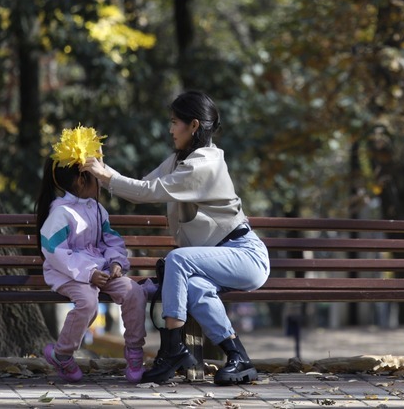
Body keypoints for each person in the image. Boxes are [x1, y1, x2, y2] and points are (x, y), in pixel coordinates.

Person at [82, 90, 270, 386]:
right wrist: (104, 171)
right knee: (194, 288)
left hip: (244, 255)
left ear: (193, 125)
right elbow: (143, 186)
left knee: (177, 260)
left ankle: (172, 350)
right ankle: (239, 357)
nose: (170, 129)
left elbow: (148, 192)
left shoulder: (205, 165)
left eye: (174, 122)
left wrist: (105, 176)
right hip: (214, 261)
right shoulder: (179, 161)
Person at [36, 125, 147, 383]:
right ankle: (62, 354)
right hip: (70, 274)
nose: (102, 178)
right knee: (88, 304)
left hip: (101, 270)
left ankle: (134, 351)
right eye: (97, 173)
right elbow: (55, 253)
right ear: (81, 180)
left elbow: (111, 240)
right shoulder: (60, 213)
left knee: (135, 292)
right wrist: (89, 273)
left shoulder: (97, 209)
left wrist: (117, 262)